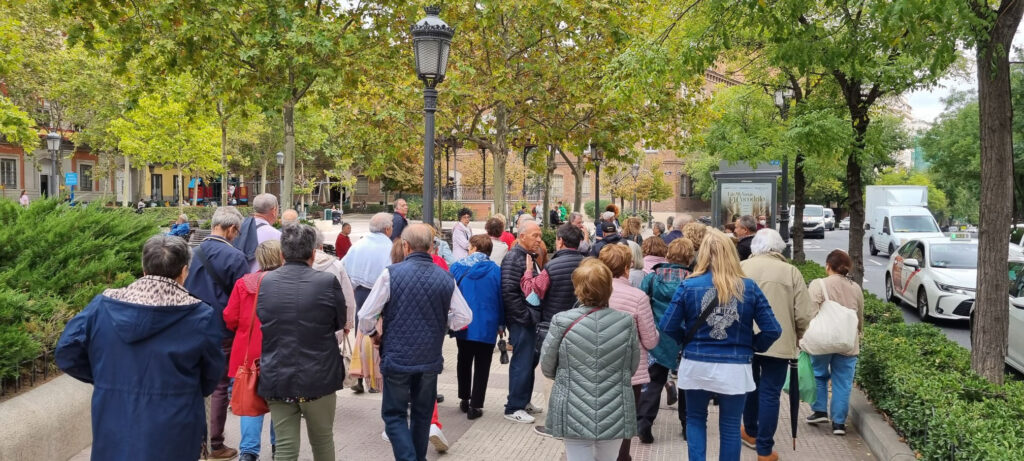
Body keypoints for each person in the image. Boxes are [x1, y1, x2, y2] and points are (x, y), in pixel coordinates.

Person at [56, 235, 224, 461]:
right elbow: (211, 374)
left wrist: (106, 377)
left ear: (144, 269)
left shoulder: (102, 306)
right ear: (184, 271)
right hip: (176, 422)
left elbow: (67, 351)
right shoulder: (200, 315)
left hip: (114, 419)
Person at [659, 230, 781, 461]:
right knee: (731, 426)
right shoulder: (749, 287)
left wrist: (686, 340)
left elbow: (667, 325)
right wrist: (752, 345)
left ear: (702, 254)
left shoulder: (689, 285)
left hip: (696, 362)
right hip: (735, 366)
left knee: (695, 419)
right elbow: (773, 329)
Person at [358, 224, 473, 461]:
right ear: (432, 247)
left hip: (397, 357)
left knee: (394, 414)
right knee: (422, 415)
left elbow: (366, 316)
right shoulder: (445, 277)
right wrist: (443, 323)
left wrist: (373, 334)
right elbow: (464, 317)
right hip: (429, 358)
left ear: (405, 246)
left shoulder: (391, 274)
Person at [257, 224, 347, 461]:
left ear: (282, 254)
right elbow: (340, 321)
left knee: (285, 449)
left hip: (277, 374)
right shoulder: (327, 282)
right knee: (322, 440)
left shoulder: (266, 282)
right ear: (314, 253)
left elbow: (263, 317)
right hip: (320, 375)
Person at [539, 259, 640, 461]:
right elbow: (632, 366)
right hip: (614, 406)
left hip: (572, 407)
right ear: (608, 288)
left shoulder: (562, 320)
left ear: (578, 288)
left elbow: (547, 366)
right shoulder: (626, 321)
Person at [739, 229, 815, 461]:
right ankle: (764, 450)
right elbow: (803, 313)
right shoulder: (790, 272)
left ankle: (750, 430)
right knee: (771, 393)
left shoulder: (741, 268)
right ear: (779, 248)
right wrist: (797, 336)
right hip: (779, 342)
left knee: (748, 387)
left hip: (744, 341)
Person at [185, 206, 249, 460]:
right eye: (238, 231)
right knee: (220, 386)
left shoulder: (191, 253)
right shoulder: (236, 258)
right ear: (232, 229)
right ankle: (215, 444)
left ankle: (193, 439)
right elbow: (243, 300)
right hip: (221, 331)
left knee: (191, 384)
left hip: (189, 326)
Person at [223, 240, 285, 461]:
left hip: (248, 353)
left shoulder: (244, 283)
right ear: (281, 256)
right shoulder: (287, 283)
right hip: (280, 351)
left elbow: (230, 317)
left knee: (250, 405)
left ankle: (249, 452)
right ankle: (279, 447)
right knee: (280, 402)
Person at [599, 244, 659, 461]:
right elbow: (651, 341)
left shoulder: (593, 293)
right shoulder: (638, 296)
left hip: (598, 367)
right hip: (629, 371)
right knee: (625, 423)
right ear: (627, 267)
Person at [636, 238, 694, 444]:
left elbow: (641, 304)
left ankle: (644, 423)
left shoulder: (652, 278)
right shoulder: (692, 280)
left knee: (654, 381)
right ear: (689, 257)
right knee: (687, 382)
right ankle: (688, 426)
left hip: (657, 336)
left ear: (668, 255)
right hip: (684, 337)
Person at [805, 250, 864, 437]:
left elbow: (809, 311)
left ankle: (820, 411)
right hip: (847, 341)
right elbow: (859, 315)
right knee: (843, 382)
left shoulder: (819, 284)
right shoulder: (856, 288)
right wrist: (859, 332)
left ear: (828, 266)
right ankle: (839, 424)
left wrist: (804, 334)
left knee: (818, 374)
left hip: (823, 340)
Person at [450, 234, 503, 420]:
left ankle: (464, 398)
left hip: (464, 323)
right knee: (483, 364)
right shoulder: (496, 271)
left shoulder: (457, 267)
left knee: (463, 360)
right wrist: (501, 323)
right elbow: (501, 299)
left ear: (473, 248)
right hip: (488, 324)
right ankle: (476, 405)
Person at [342, 212, 394, 393]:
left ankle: (359, 373)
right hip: (383, 294)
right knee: (379, 335)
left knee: (361, 334)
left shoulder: (358, 245)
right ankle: (375, 376)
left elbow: (344, 269)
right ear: (387, 229)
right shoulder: (390, 247)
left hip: (360, 293)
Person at [501, 219, 545, 423]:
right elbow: (508, 292)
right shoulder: (513, 258)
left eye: (539, 235)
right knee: (522, 362)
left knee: (529, 361)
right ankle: (514, 407)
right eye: (535, 235)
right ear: (522, 236)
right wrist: (526, 317)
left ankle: (523, 401)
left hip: (528, 319)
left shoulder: (528, 257)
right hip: (521, 321)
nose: (539, 239)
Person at [312, 230, 357, 335]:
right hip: (333, 327)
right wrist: (347, 323)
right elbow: (348, 298)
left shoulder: (299, 264)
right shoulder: (336, 265)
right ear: (321, 246)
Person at [235, 193, 283, 273]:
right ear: (274, 211)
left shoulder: (239, 228)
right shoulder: (276, 235)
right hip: (264, 282)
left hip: (240, 281)